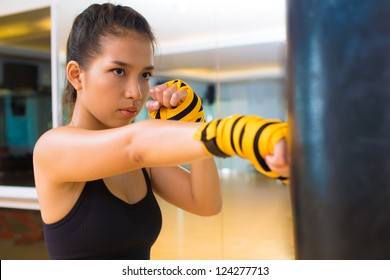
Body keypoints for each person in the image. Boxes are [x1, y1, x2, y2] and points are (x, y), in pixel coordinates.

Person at [33, 3, 289, 260]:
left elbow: (206, 204)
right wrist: (229, 134)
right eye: (118, 71)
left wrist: (194, 125)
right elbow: (135, 145)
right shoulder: (53, 148)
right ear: (77, 75)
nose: (135, 92)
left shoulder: (142, 160)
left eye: (145, 75)